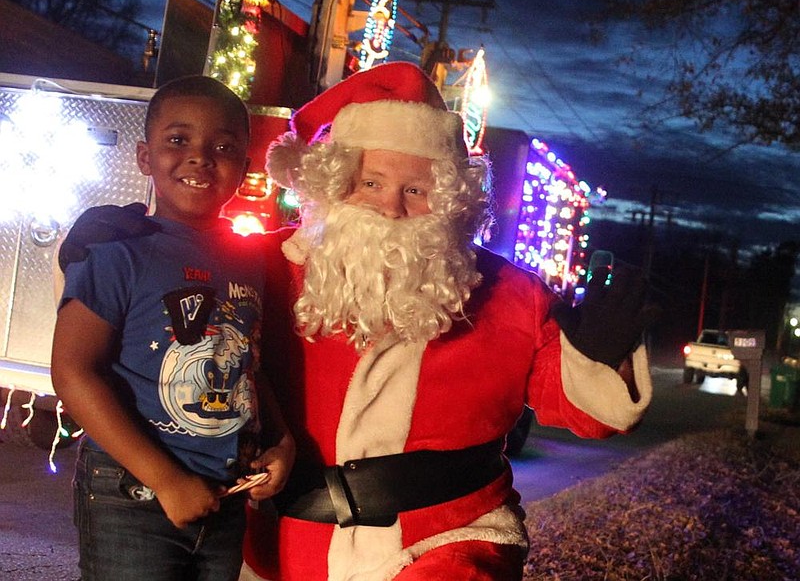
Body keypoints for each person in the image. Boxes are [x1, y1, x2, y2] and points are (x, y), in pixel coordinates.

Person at [59, 63, 655, 581]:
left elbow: (583, 410)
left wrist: (599, 354)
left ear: (449, 201)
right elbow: (169, 275)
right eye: (371, 183)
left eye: (417, 189)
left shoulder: (507, 292)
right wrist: (114, 235)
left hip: (446, 540)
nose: (393, 207)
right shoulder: (259, 263)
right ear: (335, 186)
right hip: (284, 544)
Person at [50, 75, 294, 581]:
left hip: (223, 499)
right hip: (132, 495)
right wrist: (166, 480)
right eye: (178, 140)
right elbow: (72, 372)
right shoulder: (119, 252)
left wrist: (282, 441)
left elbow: (249, 366)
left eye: (224, 147)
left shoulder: (249, 261)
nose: (200, 157)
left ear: (245, 169)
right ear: (144, 156)